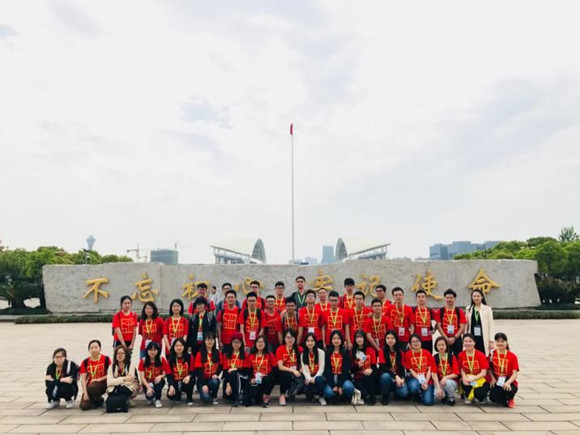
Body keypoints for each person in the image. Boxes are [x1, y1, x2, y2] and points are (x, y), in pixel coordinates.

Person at [322, 331, 354, 403]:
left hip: (343, 377)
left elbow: (345, 371)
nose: (336, 340)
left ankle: (345, 396)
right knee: (328, 392)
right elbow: (327, 371)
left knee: (349, 387)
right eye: (334, 339)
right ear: (331, 340)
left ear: (341, 340)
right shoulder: (328, 353)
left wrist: (340, 385)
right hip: (332, 377)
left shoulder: (345, 353)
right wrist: (333, 385)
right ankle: (336, 396)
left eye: (338, 338)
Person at [489, 332, 519, 408]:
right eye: (498, 341)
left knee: (509, 390)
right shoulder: (492, 354)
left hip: (508, 379)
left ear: (506, 342)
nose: (500, 343)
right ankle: (503, 399)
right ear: (495, 342)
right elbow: (489, 368)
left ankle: (510, 398)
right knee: (493, 398)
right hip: (497, 379)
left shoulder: (512, 356)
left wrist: (508, 382)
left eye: (502, 341)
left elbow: (515, 373)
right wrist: (492, 378)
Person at [245, 335, 277, 407]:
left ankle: (266, 398)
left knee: (267, 379)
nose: (260, 344)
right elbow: (248, 370)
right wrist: (251, 379)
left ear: (265, 344)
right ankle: (258, 397)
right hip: (256, 380)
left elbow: (275, 369)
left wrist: (268, 375)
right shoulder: (251, 356)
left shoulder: (269, 355)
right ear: (255, 344)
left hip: (266, 380)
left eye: (262, 342)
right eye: (258, 342)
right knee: (253, 399)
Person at [378, 330, 409, 405]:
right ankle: (385, 396)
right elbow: (383, 367)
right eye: (388, 338)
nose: (390, 340)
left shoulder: (400, 352)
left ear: (396, 339)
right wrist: (395, 376)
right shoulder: (382, 351)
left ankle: (396, 392)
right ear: (385, 339)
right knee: (385, 376)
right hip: (388, 376)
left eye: (392, 338)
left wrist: (402, 378)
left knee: (404, 393)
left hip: (397, 377)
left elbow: (402, 368)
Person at [79, 339, 111, 410]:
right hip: (90, 386)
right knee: (84, 406)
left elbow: (110, 374)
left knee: (93, 386)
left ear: (100, 349)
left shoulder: (106, 359)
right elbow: (83, 379)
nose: (94, 350)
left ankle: (98, 399)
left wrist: (98, 379)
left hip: (103, 383)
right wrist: (85, 393)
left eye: (96, 347)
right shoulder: (85, 362)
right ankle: (97, 400)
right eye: (92, 348)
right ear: (89, 350)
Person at [458, 333, 490, 404]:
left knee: (479, 394)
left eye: (470, 341)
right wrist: (464, 378)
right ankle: (469, 395)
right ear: (463, 343)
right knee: (464, 383)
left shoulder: (480, 355)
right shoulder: (461, 355)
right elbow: (461, 369)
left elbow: (484, 373)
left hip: (480, 379)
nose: (468, 343)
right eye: (466, 341)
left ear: (474, 342)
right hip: (468, 378)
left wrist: (473, 378)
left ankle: (483, 396)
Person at [404, 334, 435, 406]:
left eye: (417, 341)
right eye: (413, 342)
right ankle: (417, 394)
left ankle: (423, 394)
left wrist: (425, 382)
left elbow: (430, 369)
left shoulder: (427, 353)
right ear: (410, 344)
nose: (416, 343)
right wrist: (421, 380)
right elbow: (410, 369)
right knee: (413, 387)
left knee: (428, 402)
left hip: (427, 379)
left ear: (421, 342)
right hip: (415, 378)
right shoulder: (408, 354)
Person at [436, 289, 467, 358]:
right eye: (447, 298)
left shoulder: (459, 311)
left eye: (451, 298)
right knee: (445, 358)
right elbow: (438, 326)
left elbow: (462, 326)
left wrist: (454, 337)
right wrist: (446, 338)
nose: (449, 299)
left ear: (454, 298)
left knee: (458, 357)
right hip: (445, 338)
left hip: (457, 339)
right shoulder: (440, 311)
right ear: (444, 298)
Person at [138, 341, 170, 408]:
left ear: (158, 350)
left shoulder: (161, 359)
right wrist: (148, 387)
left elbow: (165, 374)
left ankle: (158, 399)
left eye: (155, 350)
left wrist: (160, 376)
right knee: (149, 397)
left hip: (157, 381)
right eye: (150, 350)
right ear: (147, 350)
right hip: (147, 383)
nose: (152, 352)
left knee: (158, 382)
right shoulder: (143, 361)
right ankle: (150, 397)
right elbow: (142, 377)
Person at [276, 329, 303, 406]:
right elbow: (280, 367)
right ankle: (282, 395)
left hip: (296, 372)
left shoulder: (300, 349)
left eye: (292, 337)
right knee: (285, 375)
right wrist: (292, 370)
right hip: (285, 372)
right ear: (284, 338)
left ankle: (292, 392)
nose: (290, 340)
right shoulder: (280, 349)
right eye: (288, 337)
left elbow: (303, 363)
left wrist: (301, 368)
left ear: (295, 338)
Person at [221, 332, 249, 407]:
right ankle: (234, 394)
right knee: (227, 395)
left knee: (235, 374)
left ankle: (237, 398)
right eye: (234, 342)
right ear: (231, 342)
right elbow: (225, 372)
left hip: (242, 378)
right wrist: (228, 384)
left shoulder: (245, 355)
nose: (236, 344)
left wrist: (235, 369)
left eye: (238, 342)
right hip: (229, 379)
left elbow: (246, 371)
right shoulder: (226, 355)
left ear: (241, 343)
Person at [351, 330, 377, 405]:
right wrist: (357, 366)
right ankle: (366, 396)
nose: (359, 339)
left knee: (369, 376)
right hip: (358, 378)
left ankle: (372, 396)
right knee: (364, 392)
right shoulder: (353, 352)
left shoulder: (370, 350)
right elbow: (351, 370)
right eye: (357, 337)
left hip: (368, 376)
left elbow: (374, 367)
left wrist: (370, 369)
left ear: (364, 338)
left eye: (361, 337)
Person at [195, 332, 222, 404]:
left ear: (214, 341)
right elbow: (199, 371)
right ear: (204, 341)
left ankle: (213, 396)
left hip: (212, 379)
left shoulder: (217, 352)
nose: (210, 342)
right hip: (202, 380)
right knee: (206, 399)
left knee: (215, 381)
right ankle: (206, 394)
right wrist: (204, 384)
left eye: (212, 340)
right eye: (208, 340)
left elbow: (220, 366)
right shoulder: (200, 353)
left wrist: (216, 374)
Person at [465, 289, 495, 356]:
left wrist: (491, 340)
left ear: (482, 297)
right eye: (474, 296)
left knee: (483, 353)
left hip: (483, 336)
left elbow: (491, 325)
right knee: (473, 353)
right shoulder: (468, 309)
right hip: (472, 335)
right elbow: (466, 325)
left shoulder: (487, 309)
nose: (476, 298)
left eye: (478, 296)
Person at [300, 332, 327, 405]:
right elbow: (304, 370)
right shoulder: (303, 354)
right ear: (305, 342)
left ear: (315, 342)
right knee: (308, 398)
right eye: (308, 341)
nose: (310, 343)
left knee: (319, 380)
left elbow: (321, 369)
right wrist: (309, 379)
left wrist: (314, 379)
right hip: (309, 377)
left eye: (312, 341)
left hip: (319, 376)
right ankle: (313, 394)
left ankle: (321, 396)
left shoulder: (321, 352)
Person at [167, 338, 195, 405]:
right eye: (176, 346)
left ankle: (189, 397)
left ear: (184, 346)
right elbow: (169, 375)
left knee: (190, 381)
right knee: (170, 396)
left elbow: (193, 371)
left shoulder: (189, 357)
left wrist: (189, 376)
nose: (179, 347)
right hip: (175, 381)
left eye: (181, 345)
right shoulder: (171, 358)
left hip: (185, 380)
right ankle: (178, 393)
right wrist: (171, 386)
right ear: (173, 347)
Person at [432, 336, 459, 406]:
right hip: (439, 382)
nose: (441, 347)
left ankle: (451, 397)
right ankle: (444, 396)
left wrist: (445, 377)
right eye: (439, 345)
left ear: (446, 346)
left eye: (443, 345)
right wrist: (438, 388)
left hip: (451, 382)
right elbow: (434, 374)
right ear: (436, 346)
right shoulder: (434, 357)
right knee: (437, 394)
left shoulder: (452, 357)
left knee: (447, 383)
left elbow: (456, 373)